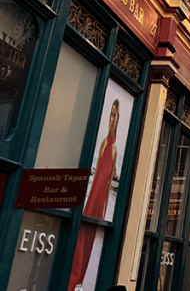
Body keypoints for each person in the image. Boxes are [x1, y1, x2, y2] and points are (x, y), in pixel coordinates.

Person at [67, 100, 120, 291]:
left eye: (115, 116)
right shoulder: (104, 143)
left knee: (90, 233)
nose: (112, 119)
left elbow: (110, 177)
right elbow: (97, 170)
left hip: (101, 197)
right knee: (82, 230)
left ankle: (79, 279)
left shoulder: (114, 149)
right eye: (111, 115)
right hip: (93, 194)